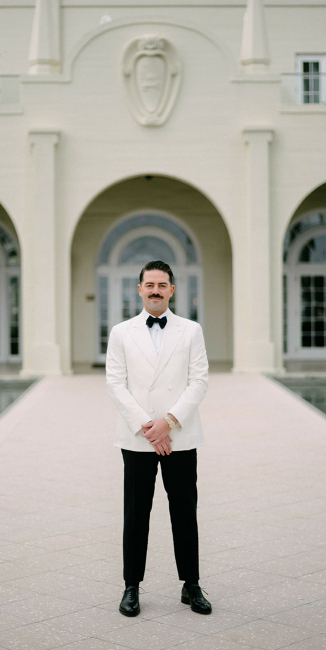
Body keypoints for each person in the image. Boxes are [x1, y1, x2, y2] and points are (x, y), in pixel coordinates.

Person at [106, 259, 211, 617]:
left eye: (162, 285)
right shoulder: (121, 332)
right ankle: (131, 586)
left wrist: (168, 422)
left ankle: (191, 584)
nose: (155, 290)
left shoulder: (191, 330)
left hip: (179, 435)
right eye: (149, 285)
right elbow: (115, 384)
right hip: (138, 438)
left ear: (172, 290)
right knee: (136, 514)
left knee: (184, 512)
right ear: (139, 290)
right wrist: (149, 428)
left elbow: (199, 381)